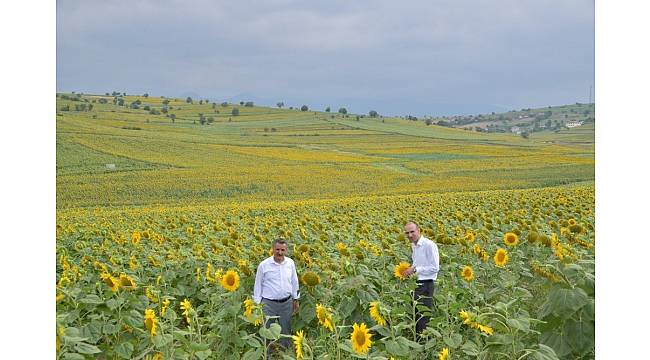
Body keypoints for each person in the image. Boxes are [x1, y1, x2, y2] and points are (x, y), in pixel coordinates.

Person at [253, 238, 300, 350]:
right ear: (273, 249)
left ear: (286, 250)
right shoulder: (264, 265)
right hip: (268, 303)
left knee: (286, 329)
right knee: (267, 329)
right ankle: (266, 354)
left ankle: (286, 352)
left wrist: (296, 299)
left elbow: (294, 281)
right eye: (277, 249)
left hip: (286, 302)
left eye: (282, 250)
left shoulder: (290, 263)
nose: (280, 252)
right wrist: (257, 304)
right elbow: (258, 285)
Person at [402, 221, 440, 335]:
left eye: (412, 232)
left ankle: (423, 343)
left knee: (423, 316)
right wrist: (410, 270)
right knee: (416, 313)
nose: (409, 235)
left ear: (419, 230)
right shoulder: (414, 245)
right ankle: (417, 340)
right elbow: (418, 263)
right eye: (407, 233)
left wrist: (415, 269)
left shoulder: (429, 245)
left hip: (426, 284)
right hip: (416, 283)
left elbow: (435, 268)